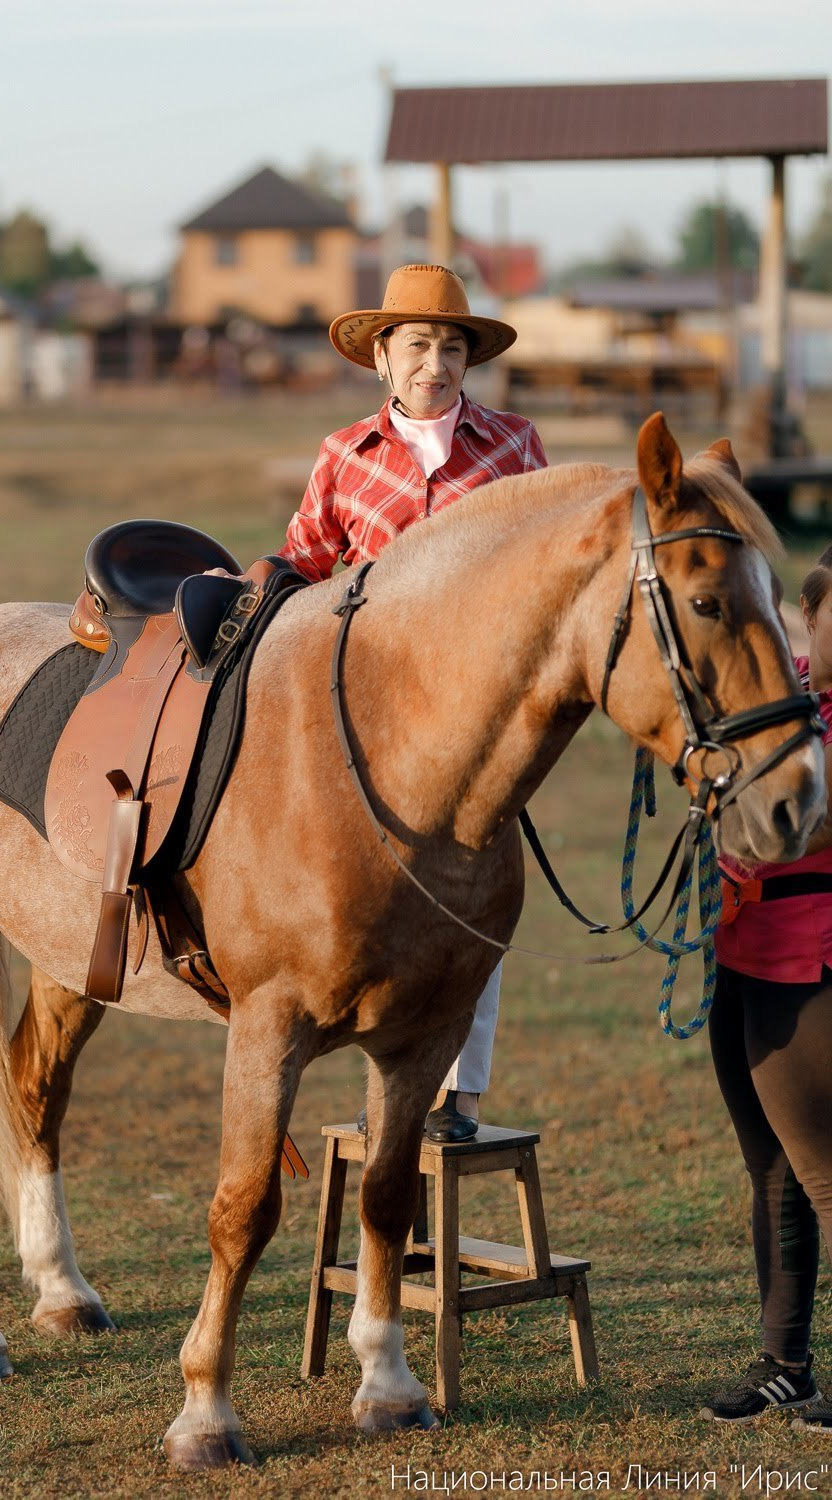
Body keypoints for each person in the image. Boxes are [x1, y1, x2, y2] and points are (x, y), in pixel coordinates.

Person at [278, 263, 548, 1143]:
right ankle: (391, 1087)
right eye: (419, 345)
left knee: (476, 891)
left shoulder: (513, 447)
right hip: (365, 718)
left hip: (477, 719)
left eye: (453, 346)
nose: (436, 362)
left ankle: (460, 1096)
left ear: (471, 360)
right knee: (372, 905)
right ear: (384, 359)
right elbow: (307, 568)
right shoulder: (342, 458)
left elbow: (543, 571)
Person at [701, 543, 832, 1428]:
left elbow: (803, 823)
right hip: (743, 961)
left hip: (808, 969)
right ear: (809, 625)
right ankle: (787, 1364)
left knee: (825, 1178)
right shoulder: (784, 699)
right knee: (773, 1173)